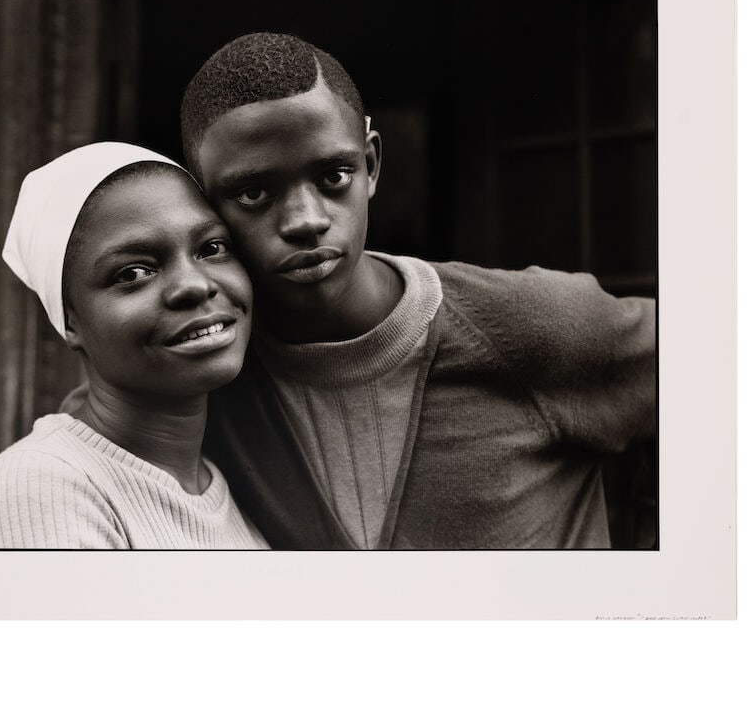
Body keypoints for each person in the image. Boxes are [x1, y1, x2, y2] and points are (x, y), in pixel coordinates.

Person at [173, 31, 656, 550]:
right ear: (203, 206)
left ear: (371, 165)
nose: (306, 221)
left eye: (333, 176)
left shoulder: (535, 325)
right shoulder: (203, 377)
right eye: (252, 193)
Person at [0, 142, 267, 549]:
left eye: (211, 248)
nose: (196, 285)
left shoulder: (227, 487)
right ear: (69, 320)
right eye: (133, 273)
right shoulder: (42, 490)